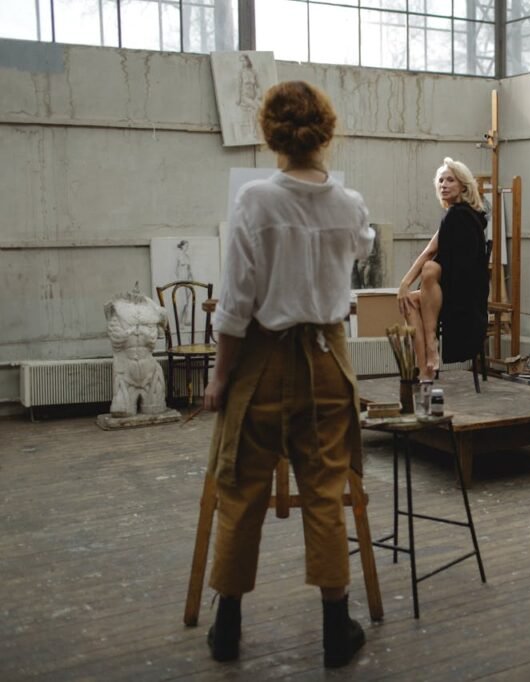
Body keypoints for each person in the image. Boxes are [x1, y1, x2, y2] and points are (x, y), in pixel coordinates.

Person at [202, 80, 375, 668]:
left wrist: (220, 378)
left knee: (240, 490)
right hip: (328, 363)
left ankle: (226, 628)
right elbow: (362, 246)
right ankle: (334, 629)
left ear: (270, 133)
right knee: (326, 493)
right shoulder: (348, 205)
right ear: (325, 131)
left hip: (263, 362)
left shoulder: (255, 200)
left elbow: (235, 305)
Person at [397, 158, 489, 379]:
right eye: (440, 181)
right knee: (410, 297)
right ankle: (425, 369)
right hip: (448, 292)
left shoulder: (459, 215)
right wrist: (404, 285)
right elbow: (430, 249)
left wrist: (406, 283)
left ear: (463, 186)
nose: (444, 185)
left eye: (450, 180)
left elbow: (433, 255)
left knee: (429, 269)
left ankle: (430, 346)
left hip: (464, 297)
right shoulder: (459, 214)